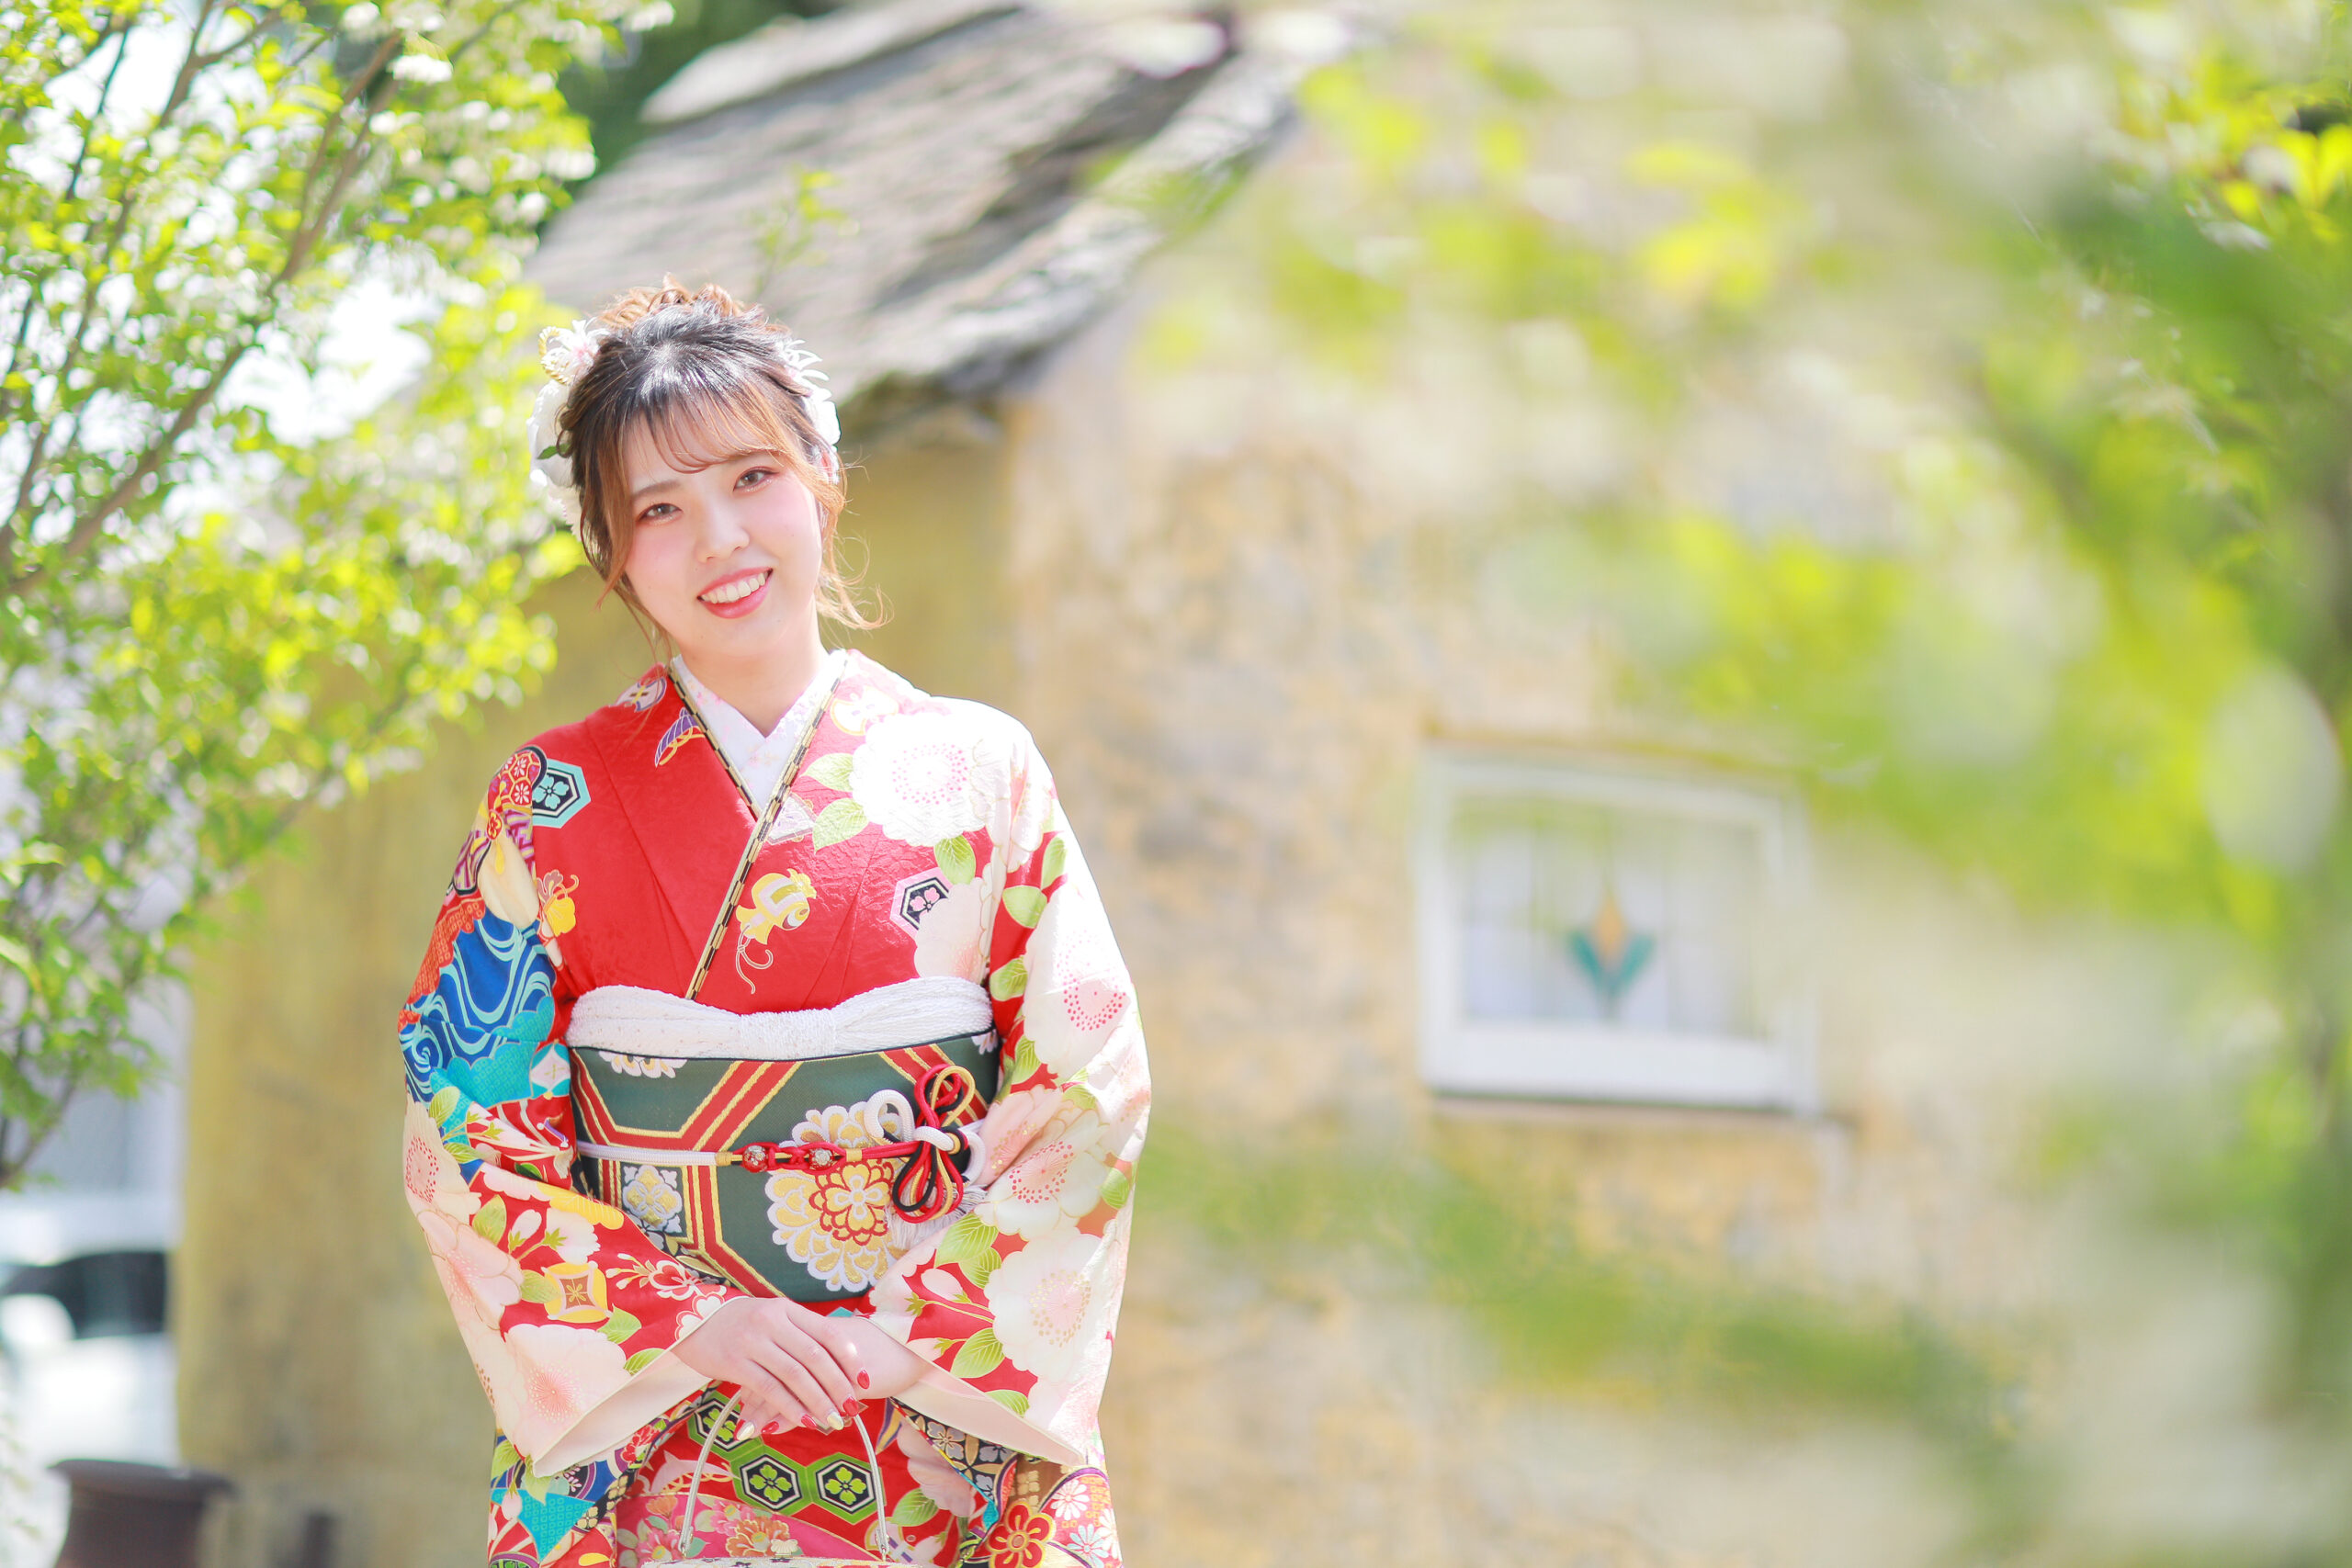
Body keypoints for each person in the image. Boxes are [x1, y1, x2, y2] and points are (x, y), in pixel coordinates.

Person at [397, 282, 1148, 1568]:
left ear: (822, 481)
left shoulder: (983, 773)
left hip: (930, 1426)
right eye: (659, 510)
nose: (721, 539)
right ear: (611, 550)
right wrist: (693, 1325)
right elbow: (466, 1127)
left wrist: (905, 1337)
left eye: (753, 478)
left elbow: (1087, 1088)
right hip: (661, 1437)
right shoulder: (550, 803)